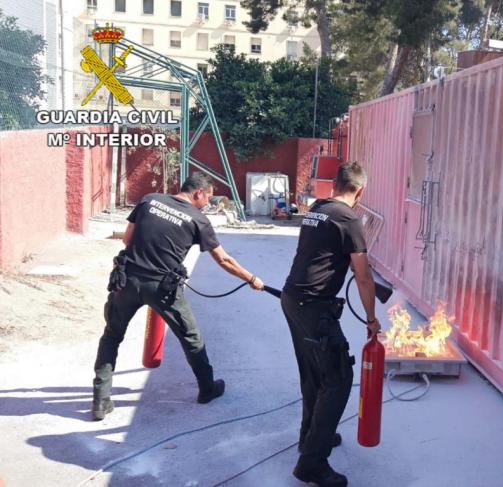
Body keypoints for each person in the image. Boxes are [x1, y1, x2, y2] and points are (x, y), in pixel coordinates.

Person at [92, 172, 264, 420]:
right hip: (163, 289)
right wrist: (251, 279)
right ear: (198, 193)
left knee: (111, 337)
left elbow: (128, 239)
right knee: (191, 338)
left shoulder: (149, 200)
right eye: (208, 198)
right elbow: (224, 259)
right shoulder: (198, 219)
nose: (207, 203)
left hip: (127, 281)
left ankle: (100, 400)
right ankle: (207, 389)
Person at [281, 161, 381, 487]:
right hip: (314, 306)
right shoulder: (349, 218)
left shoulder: (317, 208)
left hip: (293, 298)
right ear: (360, 191)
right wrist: (371, 318)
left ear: (335, 184)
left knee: (313, 372)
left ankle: (309, 436)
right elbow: (363, 277)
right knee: (338, 378)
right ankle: (312, 462)